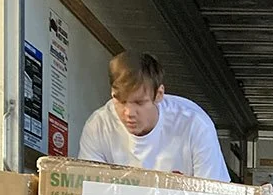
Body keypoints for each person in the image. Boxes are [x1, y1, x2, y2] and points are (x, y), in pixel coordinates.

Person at [78, 51, 230, 181]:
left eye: (139, 103)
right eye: (120, 101)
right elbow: (88, 192)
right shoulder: (98, 126)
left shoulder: (194, 124)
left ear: (159, 94)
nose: (129, 113)